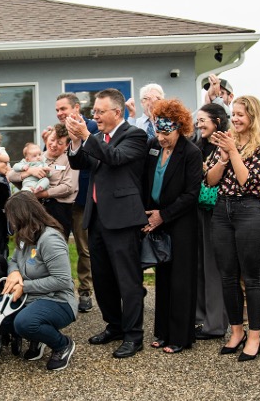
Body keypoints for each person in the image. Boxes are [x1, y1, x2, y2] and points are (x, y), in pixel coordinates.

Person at [66, 88, 148, 359]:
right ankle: (114, 326)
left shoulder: (134, 136)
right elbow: (79, 162)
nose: (96, 116)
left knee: (128, 280)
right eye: (94, 112)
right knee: (102, 279)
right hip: (97, 217)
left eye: (100, 112)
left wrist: (87, 136)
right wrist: (76, 140)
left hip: (123, 218)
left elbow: (115, 158)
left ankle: (134, 335)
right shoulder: (98, 137)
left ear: (117, 112)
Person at [205, 95, 260, 362]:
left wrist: (233, 152)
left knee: (252, 277)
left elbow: (248, 182)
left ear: (254, 117)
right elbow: (210, 181)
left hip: (252, 210)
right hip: (223, 209)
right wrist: (223, 158)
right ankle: (236, 331)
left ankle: (254, 335)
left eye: (240, 115)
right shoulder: (226, 142)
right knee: (227, 276)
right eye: (233, 114)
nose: (234, 119)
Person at [0, 192, 78, 371]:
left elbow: (62, 280)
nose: (10, 222)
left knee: (25, 323)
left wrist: (24, 286)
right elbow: (13, 261)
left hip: (57, 299)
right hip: (29, 296)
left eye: (11, 217)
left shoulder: (50, 239)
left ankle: (62, 345)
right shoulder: (25, 235)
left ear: (22, 216)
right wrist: (14, 273)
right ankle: (38, 337)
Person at [141, 99, 203, 353]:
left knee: (181, 281)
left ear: (180, 128)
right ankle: (163, 332)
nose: (161, 137)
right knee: (163, 279)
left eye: (167, 132)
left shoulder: (191, 153)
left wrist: (163, 215)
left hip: (181, 223)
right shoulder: (153, 146)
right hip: (157, 221)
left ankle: (180, 336)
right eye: (158, 131)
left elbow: (191, 194)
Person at [52, 92, 97, 313]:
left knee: (83, 247)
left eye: (63, 109)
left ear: (76, 108)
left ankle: (86, 291)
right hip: (59, 201)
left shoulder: (92, 128)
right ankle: (61, 290)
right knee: (56, 246)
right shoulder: (58, 132)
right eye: (58, 110)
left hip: (83, 198)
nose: (60, 113)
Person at [190, 103, 229, 340]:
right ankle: (200, 317)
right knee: (200, 266)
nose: (199, 124)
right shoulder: (199, 145)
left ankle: (215, 324)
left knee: (214, 268)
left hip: (219, 211)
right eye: (198, 120)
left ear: (217, 121)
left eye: (203, 120)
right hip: (200, 210)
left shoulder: (224, 144)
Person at [9, 124, 78, 240]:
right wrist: (30, 171)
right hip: (34, 207)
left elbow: (68, 187)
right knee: (32, 243)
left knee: (55, 243)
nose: (54, 145)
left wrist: (41, 194)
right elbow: (11, 175)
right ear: (47, 138)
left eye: (60, 143)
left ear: (67, 146)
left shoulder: (70, 161)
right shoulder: (36, 156)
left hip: (58, 209)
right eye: (52, 140)